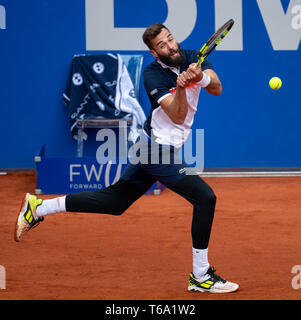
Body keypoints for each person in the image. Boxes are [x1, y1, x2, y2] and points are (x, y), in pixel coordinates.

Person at [15, 23, 239, 293]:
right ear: (154, 53)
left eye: (170, 39)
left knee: (115, 202)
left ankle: (38, 208)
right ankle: (201, 275)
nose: (170, 46)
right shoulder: (152, 75)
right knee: (205, 197)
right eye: (162, 46)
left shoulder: (192, 57)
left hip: (153, 147)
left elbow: (217, 88)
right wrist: (181, 86)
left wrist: (199, 77)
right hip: (155, 149)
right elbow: (178, 115)